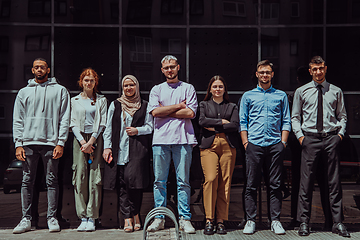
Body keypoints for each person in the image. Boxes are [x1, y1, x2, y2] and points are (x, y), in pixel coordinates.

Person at [291, 56, 350, 237]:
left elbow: (342, 116)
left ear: (325, 69)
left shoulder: (336, 91)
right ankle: (304, 222)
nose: (318, 72)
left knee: (334, 183)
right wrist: (301, 137)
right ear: (310, 71)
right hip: (310, 140)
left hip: (331, 139)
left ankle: (337, 223)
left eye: (321, 68)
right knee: (306, 183)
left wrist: (340, 134)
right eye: (315, 69)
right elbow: (295, 117)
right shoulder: (301, 91)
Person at [12, 58, 70, 234]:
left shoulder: (60, 90)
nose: (39, 70)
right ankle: (26, 219)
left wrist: (61, 142)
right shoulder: (23, 92)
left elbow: (64, 118)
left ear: (48, 69)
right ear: (32, 70)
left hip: (51, 143)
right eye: (36, 67)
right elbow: (18, 120)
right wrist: (18, 144)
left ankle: (52, 217)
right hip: (28, 143)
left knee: (51, 181)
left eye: (42, 67)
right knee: (26, 181)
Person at [146, 55, 197, 234]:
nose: (170, 70)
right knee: (159, 181)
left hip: (183, 140)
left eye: (172, 67)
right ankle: (159, 218)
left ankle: (185, 219)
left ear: (178, 67)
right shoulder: (156, 89)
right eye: (166, 67)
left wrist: (165, 111)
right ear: (162, 70)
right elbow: (155, 112)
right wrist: (178, 106)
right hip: (160, 141)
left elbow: (190, 113)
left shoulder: (188, 88)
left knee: (183, 182)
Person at [239, 60, 291, 235]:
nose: (264, 75)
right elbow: (243, 122)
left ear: (272, 74)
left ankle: (275, 220)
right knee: (251, 184)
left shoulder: (281, 95)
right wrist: (246, 143)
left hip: (275, 145)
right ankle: (250, 220)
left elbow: (286, 120)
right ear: (257, 74)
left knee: (275, 184)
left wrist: (283, 143)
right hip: (254, 144)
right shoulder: (248, 96)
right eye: (261, 72)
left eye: (267, 72)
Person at [103, 75, 153, 233]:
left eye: (131, 85)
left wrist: (138, 130)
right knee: (122, 185)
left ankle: (136, 214)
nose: (129, 88)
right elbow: (108, 128)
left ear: (137, 87)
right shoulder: (115, 105)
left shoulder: (145, 105)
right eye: (126, 86)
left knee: (136, 185)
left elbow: (150, 127)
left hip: (137, 150)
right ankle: (127, 218)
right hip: (119, 151)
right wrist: (107, 147)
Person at [198, 76, 240, 235]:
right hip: (209, 146)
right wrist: (222, 123)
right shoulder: (203, 104)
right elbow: (201, 121)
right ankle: (209, 219)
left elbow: (235, 125)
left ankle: (221, 220)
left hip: (228, 146)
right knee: (210, 179)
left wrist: (214, 124)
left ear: (224, 89)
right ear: (210, 89)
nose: (217, 89)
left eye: (220, 87)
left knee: (225, 183)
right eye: (214, 86)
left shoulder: (232, 106)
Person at [70, 68, 107, 232]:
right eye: (86, 80)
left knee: (95, 177)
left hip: (95, 139)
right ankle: (82, 216)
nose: (89, 83)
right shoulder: (74, 100)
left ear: (95, 82)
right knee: (80, 177)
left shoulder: (101, 100)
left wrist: (91, 141)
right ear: (81, 82)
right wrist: (82, 142)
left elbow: (102, 122)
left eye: (92, 80)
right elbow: (72, 123)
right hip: (79, 140)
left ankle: (92, 217)